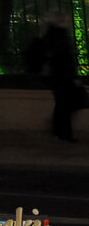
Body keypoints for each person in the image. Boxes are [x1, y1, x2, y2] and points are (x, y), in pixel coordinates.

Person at [26, 12, 83, 142]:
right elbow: (64, 58)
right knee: (65, 105)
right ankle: (64, 134)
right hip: (63, 76)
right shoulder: (60, 36)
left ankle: (58, 131)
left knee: (61, 104)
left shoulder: (49, 36)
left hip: (54, 76)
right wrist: (73, 75)